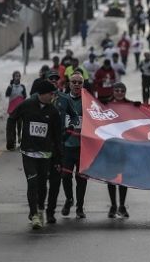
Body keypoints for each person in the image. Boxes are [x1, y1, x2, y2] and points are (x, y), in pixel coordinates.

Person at [7, 80, 62, 229]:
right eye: (51, 94)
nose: (53, 96)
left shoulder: (53, 111)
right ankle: (34, 215)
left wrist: (58, 158)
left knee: (42, 185)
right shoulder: (27, 105)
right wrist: (10, 140)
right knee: (32, 183)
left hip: (45, 154)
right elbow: (11, 119)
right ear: (42, 94)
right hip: (28, 152)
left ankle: (39, 208)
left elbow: (58, 137)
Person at [42, 70, 78, 224]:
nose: (54, 81)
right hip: (42, 145)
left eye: (56, 79)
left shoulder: (64, 98)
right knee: (41, 181)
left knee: (57, 180)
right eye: (51, 79)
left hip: (59, 145)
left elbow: (75, 117)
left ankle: (50, 212)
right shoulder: (39, 99)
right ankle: (37, 209)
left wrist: (68, 131)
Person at [102, 82, 139, 218]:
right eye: (116, 90)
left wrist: (138, 107)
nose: (119, 93)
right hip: (110, 146)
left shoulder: (130, 105)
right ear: (113, 91)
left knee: (123, 178)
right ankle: (113, 205)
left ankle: (122, 205)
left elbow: (137, 120)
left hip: (124, 147)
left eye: (122, 91)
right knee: (111, 177)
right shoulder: (105, 105)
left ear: (125, 92)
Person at [60, 73, 88, 219]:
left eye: (80, 82)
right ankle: (69, 199)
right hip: (67, 146)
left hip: (83, 147)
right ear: (69, 84)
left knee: (81, 179)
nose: (77, 85)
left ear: (83, 84)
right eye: (74, 82)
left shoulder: (87, 101)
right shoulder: (63, 100)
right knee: (65, 176)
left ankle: (80, 207)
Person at [5, 71, 27, 149]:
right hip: (12, 109)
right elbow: (7, 94)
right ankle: (13, 141)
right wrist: (10, 87)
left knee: (20, 124)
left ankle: (19, 136)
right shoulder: (10, 86)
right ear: (13, 77)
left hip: (20, 109)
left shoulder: (22, 87)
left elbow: (25, 96)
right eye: (16, 76)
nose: (17, 77)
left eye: (18, 76)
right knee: (12, 126)